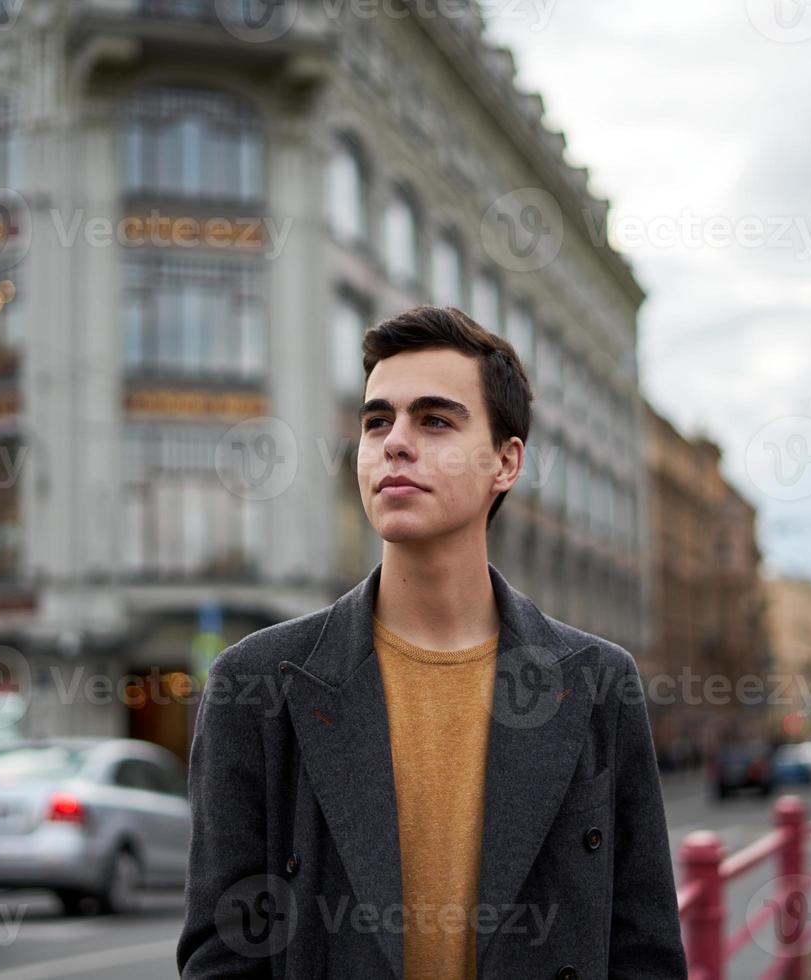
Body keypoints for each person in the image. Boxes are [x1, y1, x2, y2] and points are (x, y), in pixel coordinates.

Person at [177, 306, 687, 979]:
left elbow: (643, 949)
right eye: (376, 421)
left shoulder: (597, 681)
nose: (394, 442)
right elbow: (224, 955)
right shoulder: (258, 683)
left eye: (435, 420)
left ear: (506, 462)